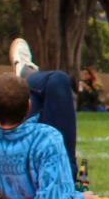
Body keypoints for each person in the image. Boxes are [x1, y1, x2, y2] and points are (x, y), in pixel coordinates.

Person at [9, 38, 81, 180]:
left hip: (44, 174)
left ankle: (25, 74)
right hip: (58, 176)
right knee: (55, 82)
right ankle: (26, 74)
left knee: (56, 81)